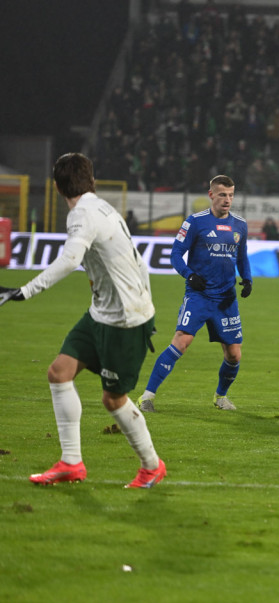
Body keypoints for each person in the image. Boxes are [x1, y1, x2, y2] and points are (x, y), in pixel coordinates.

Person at [0, 153, 165, 487]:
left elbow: (70, 258)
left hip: (123, 321)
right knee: (59, 373)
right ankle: (71, 462)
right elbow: (137, 261)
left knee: (113, 399)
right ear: (91, 180)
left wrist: (25, 291)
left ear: (58, 187)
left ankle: (152, 466)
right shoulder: (102, 207)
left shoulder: (82, 216)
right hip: (102, 312)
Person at [137, 175, 252, 412]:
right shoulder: (195, 222)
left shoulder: (240, 224)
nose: (227, 199)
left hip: (226, 300)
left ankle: (220, 397)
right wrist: (189, 275)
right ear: (211, 195)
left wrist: (247, 278)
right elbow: (176, 254)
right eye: (222, 194)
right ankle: (147, 396)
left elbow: (242, 257)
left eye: (231, 195)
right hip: (199, 296)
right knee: (181, 341)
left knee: (234, 355)